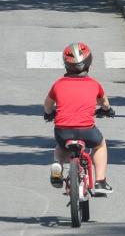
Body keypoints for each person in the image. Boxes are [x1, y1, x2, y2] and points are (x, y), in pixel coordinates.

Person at [43, 43, 115, 195]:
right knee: (100, 145)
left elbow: (47, 105)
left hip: (63, 131)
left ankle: (58, 165)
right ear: (89, 62)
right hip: (87, 130)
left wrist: (49, 114)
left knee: (62, 147)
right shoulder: (94, 84)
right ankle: (100, 181)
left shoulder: (58, 84)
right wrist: (107, 110)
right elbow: (105, 103)